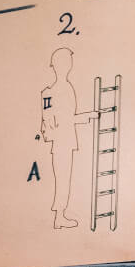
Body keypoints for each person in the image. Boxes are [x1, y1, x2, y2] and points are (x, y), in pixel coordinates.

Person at [39, 48, 83, 228]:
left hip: (67, 140)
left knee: (65, 178)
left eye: (68, 62)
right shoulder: (50, 91)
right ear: (57, 66)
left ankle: (60, 216)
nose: (67, 65)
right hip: (60, 142)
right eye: (64, 62)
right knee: (62, 179)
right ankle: (59, 217)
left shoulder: (67, 87)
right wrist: (85, 117)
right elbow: (52, 120)